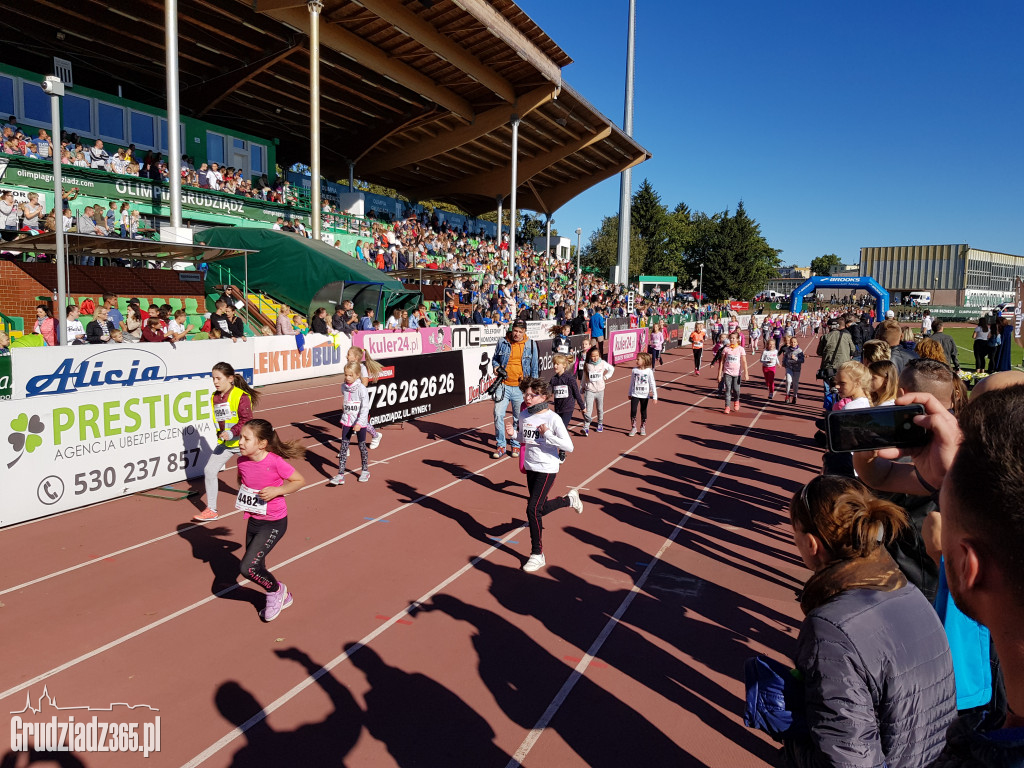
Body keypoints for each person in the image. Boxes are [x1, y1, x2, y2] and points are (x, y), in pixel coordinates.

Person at [782, 474, 955, 767]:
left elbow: (847, 761)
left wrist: (791, 735)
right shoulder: (908, 592)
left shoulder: (829, 628)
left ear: (811, 544)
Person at [506, 377, 583, 573]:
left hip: (548, 467)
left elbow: (569, 447)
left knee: (532, 509)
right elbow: (525, 438)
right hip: (531, 465)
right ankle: (569, 500)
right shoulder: (524, 415)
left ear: (544, 397)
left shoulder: (553, 419)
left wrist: (548, 434)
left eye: (533, 395)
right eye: (526, 394)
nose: (528, 397)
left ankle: (537, 554)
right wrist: (514, 435)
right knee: (538, 508)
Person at [233, 418, 305, 622]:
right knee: (258, 566)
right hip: (253, 520)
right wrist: (246, 493)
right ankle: (285, 596)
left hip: (274, 522)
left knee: (247, 568)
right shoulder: (241, 461)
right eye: (240, 438)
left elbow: (299, 481)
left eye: (246, 439)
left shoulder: (274, 462)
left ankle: (276, 591)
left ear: (262, 444)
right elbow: (243, 479)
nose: (240, 442)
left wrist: (278, 490)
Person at [193, 362, 260, 522]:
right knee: (209, 471)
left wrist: (232, 432)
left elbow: (247, 420)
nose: (215, 382)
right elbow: (220, 419)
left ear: (230, 379)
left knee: (255, 473)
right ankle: (212, 509)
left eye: (218, 378)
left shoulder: (241, 396)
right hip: (226, 444)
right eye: (213, 378)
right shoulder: (214, 396)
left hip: (244, 443)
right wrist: (221, 433)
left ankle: (266, 497)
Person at [490, 320, 539, 459]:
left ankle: (516, 444)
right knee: (498, 414)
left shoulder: (531, 345)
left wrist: (533, 389)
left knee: (518, 418)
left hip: (520, 388)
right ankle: (500, 445)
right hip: (503, 385)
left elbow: (534, 367)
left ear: (525, 332)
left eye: (520, 332)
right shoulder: (502, 342)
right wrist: (495, 367)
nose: (516, 334)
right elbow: (495, 360)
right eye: (515, 331)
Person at [328, 362, 371, 485]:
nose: (347, 378)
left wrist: (359, 422)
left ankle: (365, 470)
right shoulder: (343, 387)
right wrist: (345, 408)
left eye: (350, 375)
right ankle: (340, 474)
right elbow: (346, 400)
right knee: (343, 447)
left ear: (357, 375)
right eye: (346, 375)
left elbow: (365, 407)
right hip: (346, 421)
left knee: (361, 446)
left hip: (359, 423)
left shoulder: (362, 389)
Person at [347, 346, 384, 449]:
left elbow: (365, 382)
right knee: (348, 419)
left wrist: (356, 388)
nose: (346, 356)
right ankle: (345, 449)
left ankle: (376, 436)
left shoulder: (361, 368)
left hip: (360, 398)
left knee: (362, 421)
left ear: (355, 358)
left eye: (349, 354)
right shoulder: (348, 366)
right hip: (350, 398)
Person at [549, 353, 585, 460]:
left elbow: (576, 394)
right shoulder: (554, 379)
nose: (555, 366)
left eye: (557, 364)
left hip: (568, 408)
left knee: (562, 428)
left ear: (564, 365)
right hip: (558, 408)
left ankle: (562, 451)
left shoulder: (570, 378)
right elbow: (548, 392)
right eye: (554, 364)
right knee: (556, 429)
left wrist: (582, 407)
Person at [581, 344, 614, 435]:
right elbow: (584, 377)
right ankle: (586, 427)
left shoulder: (602, 363)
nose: (595, 358)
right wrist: (582, 387)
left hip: (600, 390)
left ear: (599, 355)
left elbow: (611, 369)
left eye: (597, 356)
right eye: (593, 356)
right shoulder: (587, 365)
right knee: (588, 409)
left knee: (599, 408)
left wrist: (606, 376)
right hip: (589, 390)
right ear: (590, 356)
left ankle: (600, 423)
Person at [718, 331, 749, 414]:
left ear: (737, 339)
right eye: (730, 338)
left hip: (737, 374)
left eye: (734, 338)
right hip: (727, 372)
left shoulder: (740, 349)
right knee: (728, 389)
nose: (732, 340)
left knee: (736, 390)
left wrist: (746, 373)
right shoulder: (726, 349)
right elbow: (722, 362)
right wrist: (719, 374)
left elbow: (744, 361)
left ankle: (736, 400)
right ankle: (727, 406)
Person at [628, 352, 658, 436]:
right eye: (636, 359)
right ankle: (633, 427)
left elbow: (652, 383)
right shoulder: (634, 370)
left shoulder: (649, 371)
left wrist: (655, 396)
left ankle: (642, 427)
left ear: (644, 361)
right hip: (635, 394)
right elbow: (632, 382)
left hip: (644, 395)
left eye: (638, 359)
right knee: (633, 410)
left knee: (643, 411)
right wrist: (629, 392)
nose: (636, 360)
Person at [781, 335, 805, 405]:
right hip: (789, 368)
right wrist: (783, 362)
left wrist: (795, 358)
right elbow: (785, 357)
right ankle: (787, 395)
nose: (793, 344)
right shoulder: (787, 349)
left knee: (795, 383)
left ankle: (794, 396)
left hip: (797, 369)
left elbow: (802, 360)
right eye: (791, 342)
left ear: (797, 343)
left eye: (794, 342)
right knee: (788, 381)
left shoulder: (799, 351)